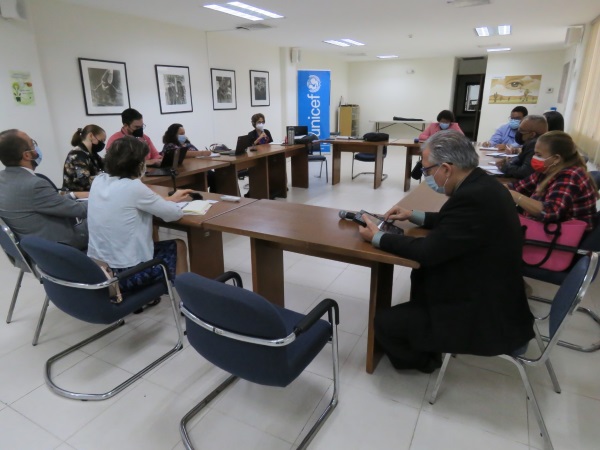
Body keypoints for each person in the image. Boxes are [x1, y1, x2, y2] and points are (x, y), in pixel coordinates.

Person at [358, 131, 534, 373]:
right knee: (420, 279)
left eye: (427, 170)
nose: (426, 176)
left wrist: (378, 237)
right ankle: (424, 332)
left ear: (446, 169)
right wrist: (414, 215)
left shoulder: (472, 197)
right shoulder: (483, 184)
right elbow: (457, 222)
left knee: (384, 323)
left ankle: (426, 363)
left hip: (483, 309)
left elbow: (427, 251)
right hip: (493, 288)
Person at [87, 136, 193, 297]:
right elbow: (174, 214)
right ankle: (186, 301)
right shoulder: (133, 187)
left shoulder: (99, 180)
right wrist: (170, 203)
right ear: (136, 164)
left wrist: (167, 200)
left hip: (99, 269)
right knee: (178, 245)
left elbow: (126, 203)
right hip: (127, 274)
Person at [0, 129, 88, 249]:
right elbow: (80, 211)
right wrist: (106, 200)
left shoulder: (3, 179)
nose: (36, 147)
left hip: (35, 247)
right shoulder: (34, 184)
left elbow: (47, 203)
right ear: (27, 155)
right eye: (32, 143)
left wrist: (73, 195)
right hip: (61, 244)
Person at [508, 131, 597, 231]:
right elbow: (517, 186)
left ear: (556, 158)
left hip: (565, 234)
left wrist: (514, 195)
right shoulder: (547, 170)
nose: (534, 158)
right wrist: (496, 187)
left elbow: (549, 212)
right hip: (548, 229)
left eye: (539, 155)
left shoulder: (571, 176)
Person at [162, 123, 216, 191]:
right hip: (182, 173)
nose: (183, 136)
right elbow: (181, 153)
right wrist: (202, 153)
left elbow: (195, 152)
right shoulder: (170, 145)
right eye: (181, 134)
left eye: (184, 133)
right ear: (173, 135)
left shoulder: (186, 144)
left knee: (216, 177)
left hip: (196, 169)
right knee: (212, 177)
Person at [412, 110, 463, 180]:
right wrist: (434, 138)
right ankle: (428, 178)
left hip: (447, 153)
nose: (444, 123)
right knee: (428, 161)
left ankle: (442, 179)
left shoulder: (454, 126)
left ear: (450, 122)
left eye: (447, 122)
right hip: (433, 152)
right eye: (442, 121)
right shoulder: (433, 126)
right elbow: (421, 136)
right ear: (439, 121)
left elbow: (461, 138)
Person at [496, 114, 548, 180]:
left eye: (521, 130)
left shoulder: (535, 144)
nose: (518, 133)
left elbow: (524, 172)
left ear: (532, 134)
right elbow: (519, 159)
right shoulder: (538, 142)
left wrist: (504, 166)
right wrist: (508, 161)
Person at [62, 124, 105, 193]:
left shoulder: (92, 154)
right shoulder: (77, 154)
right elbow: (84, 182)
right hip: (75, 196)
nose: (102, 144)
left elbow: (106, 165)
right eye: (101, 140)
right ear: (91, 136)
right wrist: (105, 178)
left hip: (88, 194)